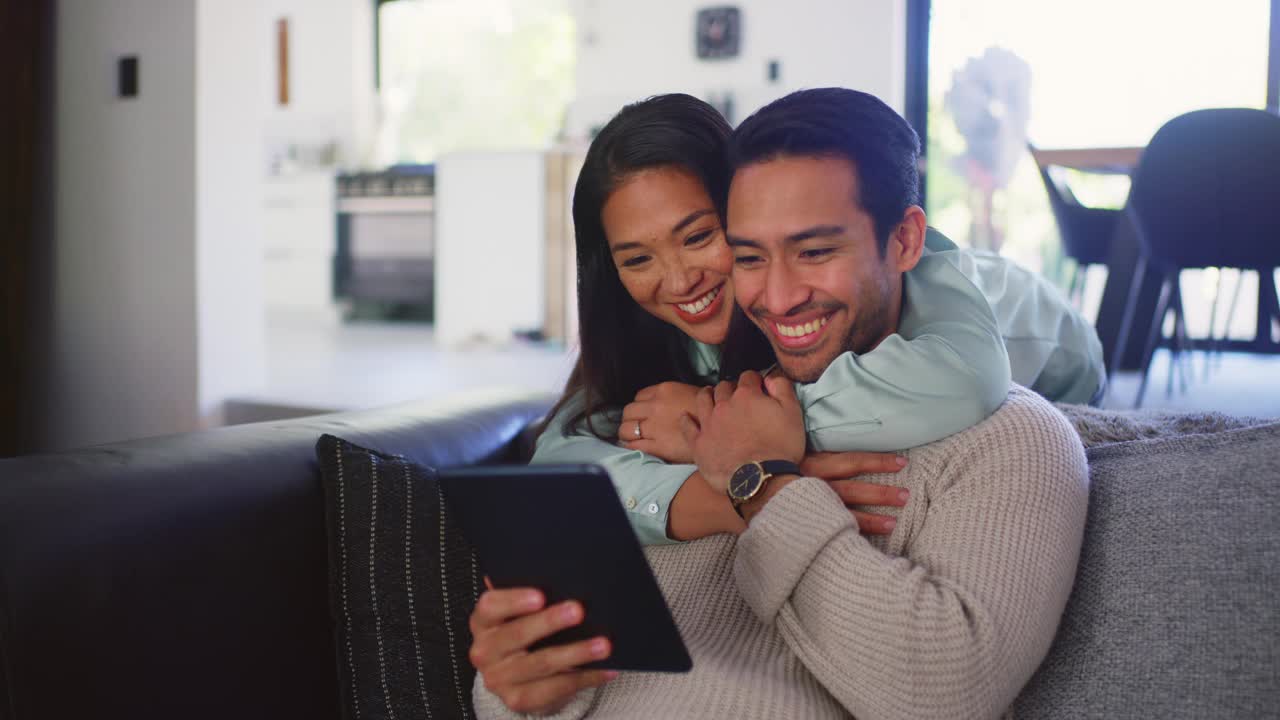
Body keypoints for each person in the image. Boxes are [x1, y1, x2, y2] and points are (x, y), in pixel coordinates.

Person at [469, 88, 1090, 719]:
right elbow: (544, 669)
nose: (779, 293)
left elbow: (941, 693)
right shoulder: (656, 411)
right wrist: (517, 693)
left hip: (1055, 349)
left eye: (815, 250)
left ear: (904, 242)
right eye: (750, 255)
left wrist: (760, 480)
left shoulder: (999, 424)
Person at [533, 93, 1100, 547]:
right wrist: (729, 492)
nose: (679, 281)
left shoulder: (918, 286)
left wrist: (715, 428)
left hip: (1064, 360)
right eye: (638, 259)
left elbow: (962, 382)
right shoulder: (694, 323)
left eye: (701, 237)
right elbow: (560, 460)